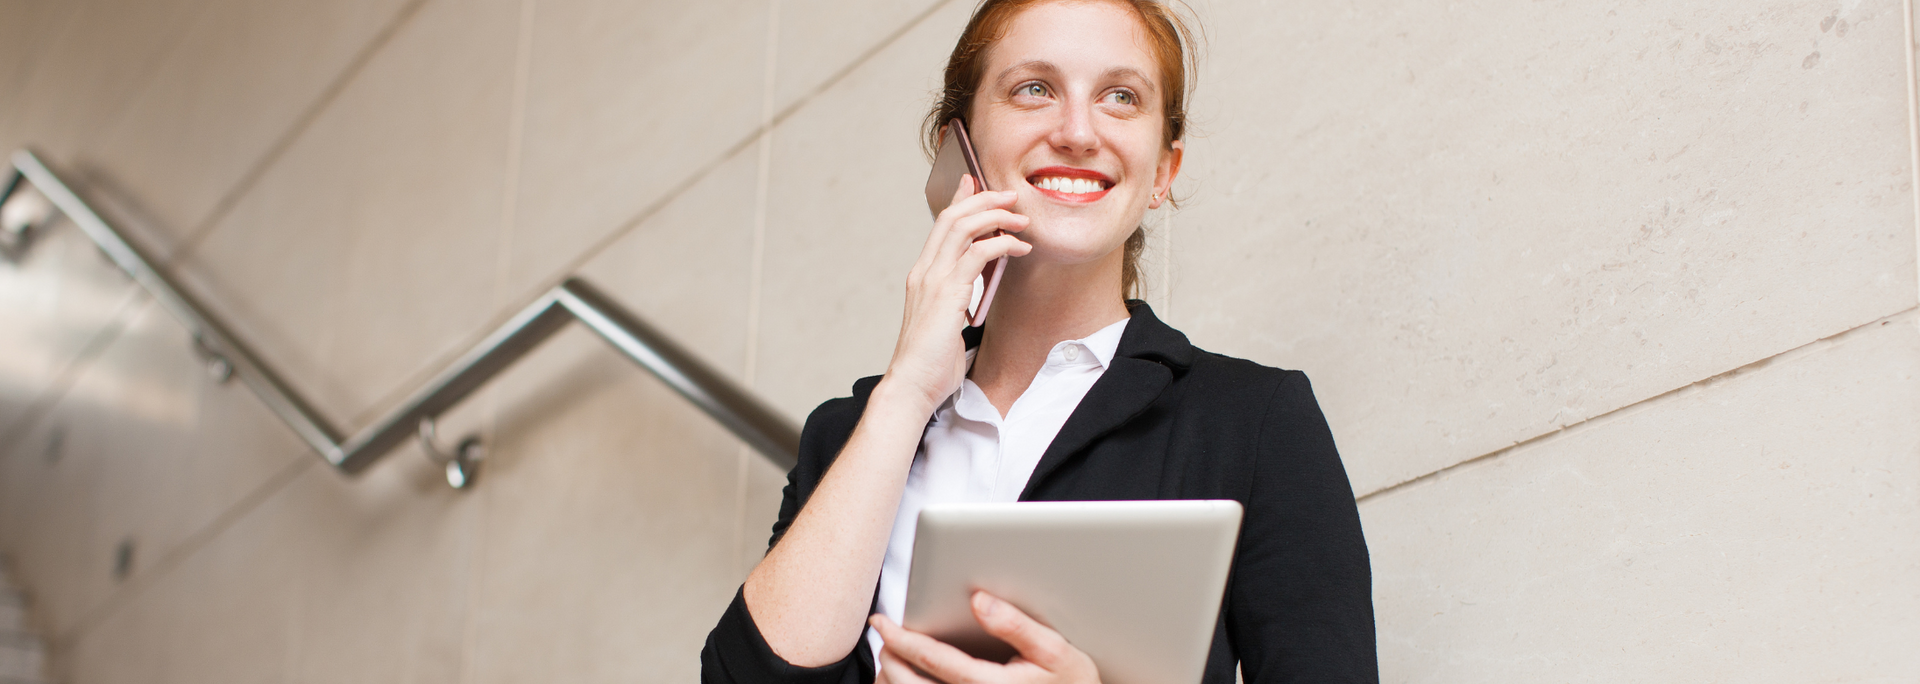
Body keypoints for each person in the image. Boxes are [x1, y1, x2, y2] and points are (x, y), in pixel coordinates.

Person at [704, 1, 1376, 682]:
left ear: (1164, 172)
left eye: (1121, 97)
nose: (1079, 131)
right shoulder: (849, 436)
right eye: (1035, 89)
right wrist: (905, 393)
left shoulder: (1251, 420)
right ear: (957, 148)